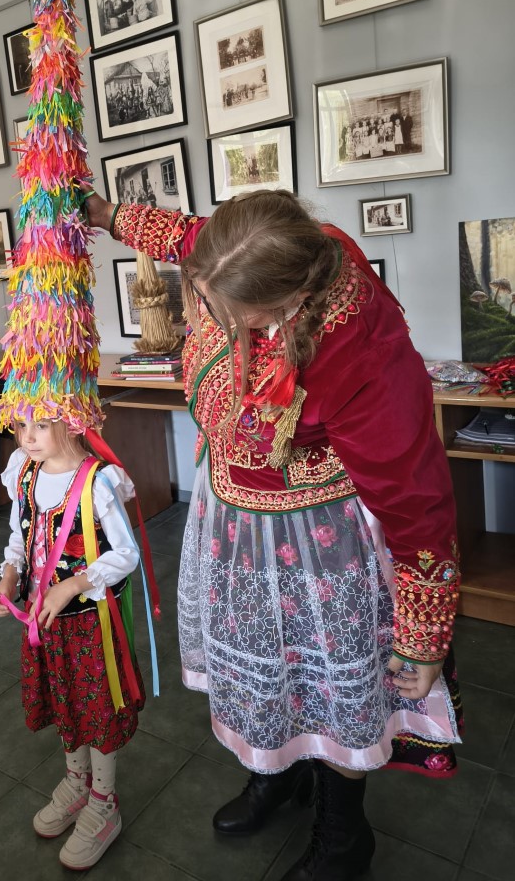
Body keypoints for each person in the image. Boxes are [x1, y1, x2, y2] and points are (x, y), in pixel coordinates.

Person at [84, 187, 461, 881]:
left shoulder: (360, 352)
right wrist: (110, 217)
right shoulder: (251, 250)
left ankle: (343, 834)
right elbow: (193, 238)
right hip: (233, 518)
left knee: (327, 677)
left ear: (291, 299)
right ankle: (276, 772)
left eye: (237, 316)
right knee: (258, 658)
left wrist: (424, 634)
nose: (217, 320)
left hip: (319, 535)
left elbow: (416, 499)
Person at [0, 417, 145, 871]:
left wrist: (73, 585)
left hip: (89, 626)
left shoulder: (98, 482)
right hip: (46, 625)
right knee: (64, 700)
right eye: (21, 425)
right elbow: (20, 537)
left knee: (96, 709)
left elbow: (126, 554)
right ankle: (77, 782)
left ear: (74, 423)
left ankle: (103, 801)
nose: (27, 437)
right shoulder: (23, 471)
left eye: (41, 425)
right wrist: (10, 576)